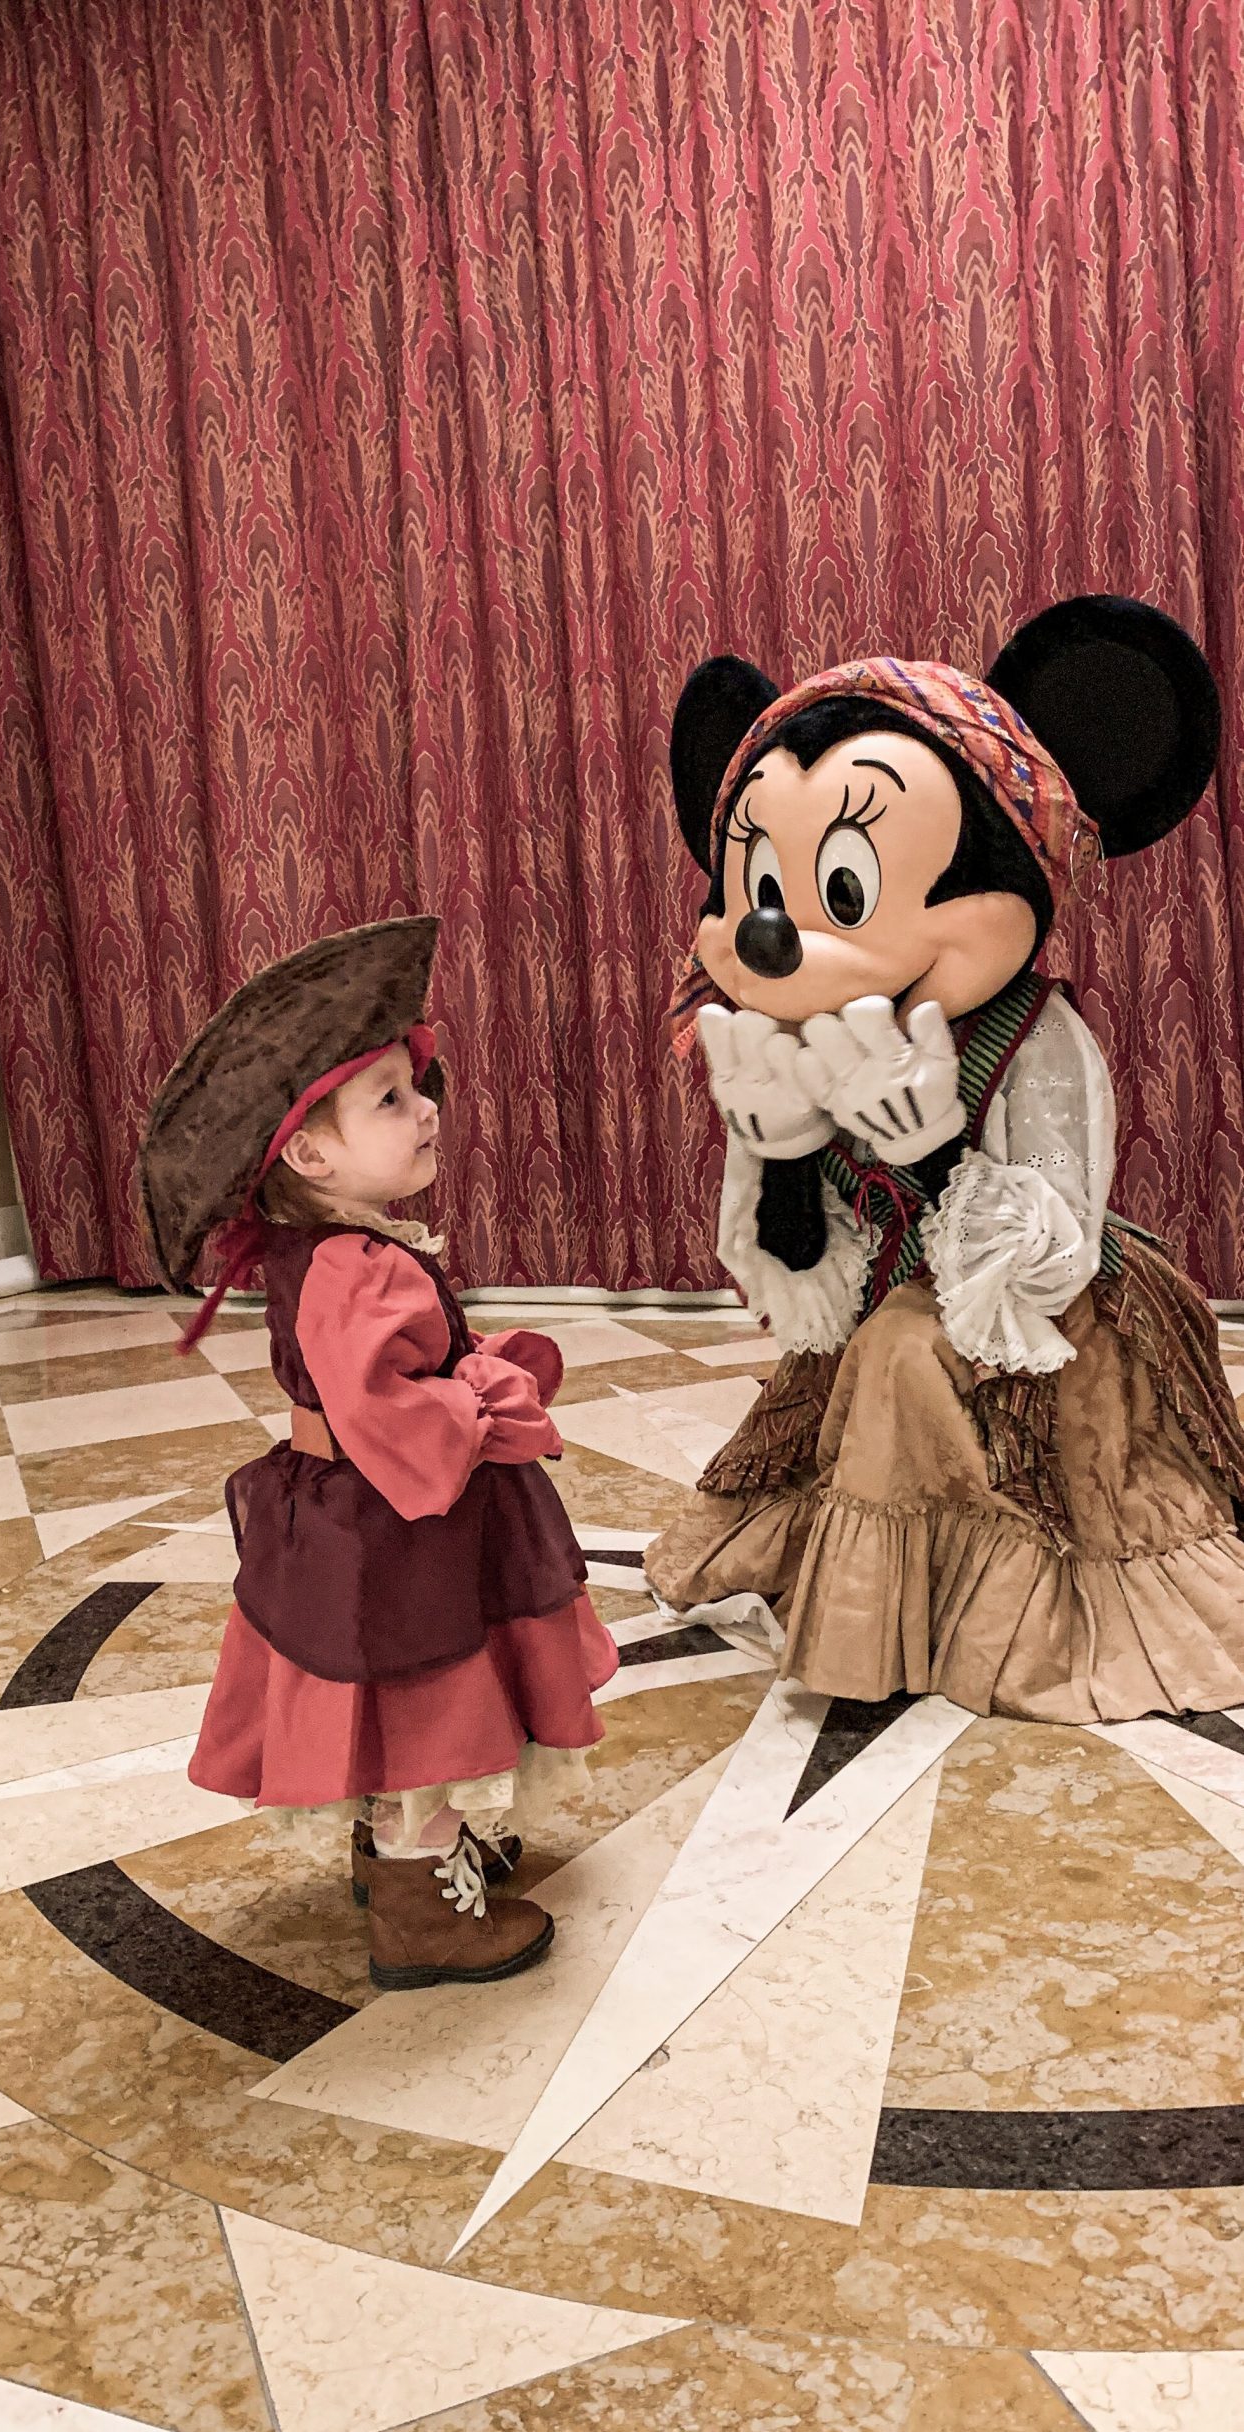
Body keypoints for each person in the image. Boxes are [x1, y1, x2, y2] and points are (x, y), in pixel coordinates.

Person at [646, 596, 1244, 1725]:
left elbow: (1049, 1249)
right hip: (891, 1292)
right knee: (863, 1351)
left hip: (1037, 1306)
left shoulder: (1032, 1039)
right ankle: (883, 1600)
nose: (780, 937)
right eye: (763, 892)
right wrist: (780, 1164)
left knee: (896, 1358)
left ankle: (940, 1611)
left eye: (841, 893)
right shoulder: (791, 1042)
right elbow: (805, 1282)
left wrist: (930, 1152)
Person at [139, 915, 617, 1987]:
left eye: (419, 1084)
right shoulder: (363, 1266)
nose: (426, 1109)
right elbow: (392, 1415)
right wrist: (487, 1396)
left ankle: (399, 1854)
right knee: (423, 1698)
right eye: (390, 1100)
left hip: (349, 1512)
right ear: (309, 1154)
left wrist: (461, 1363)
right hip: (407, 1521)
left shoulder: (329, 1252)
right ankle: (422, 1913)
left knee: (380, 1689)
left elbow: (371, 1381)